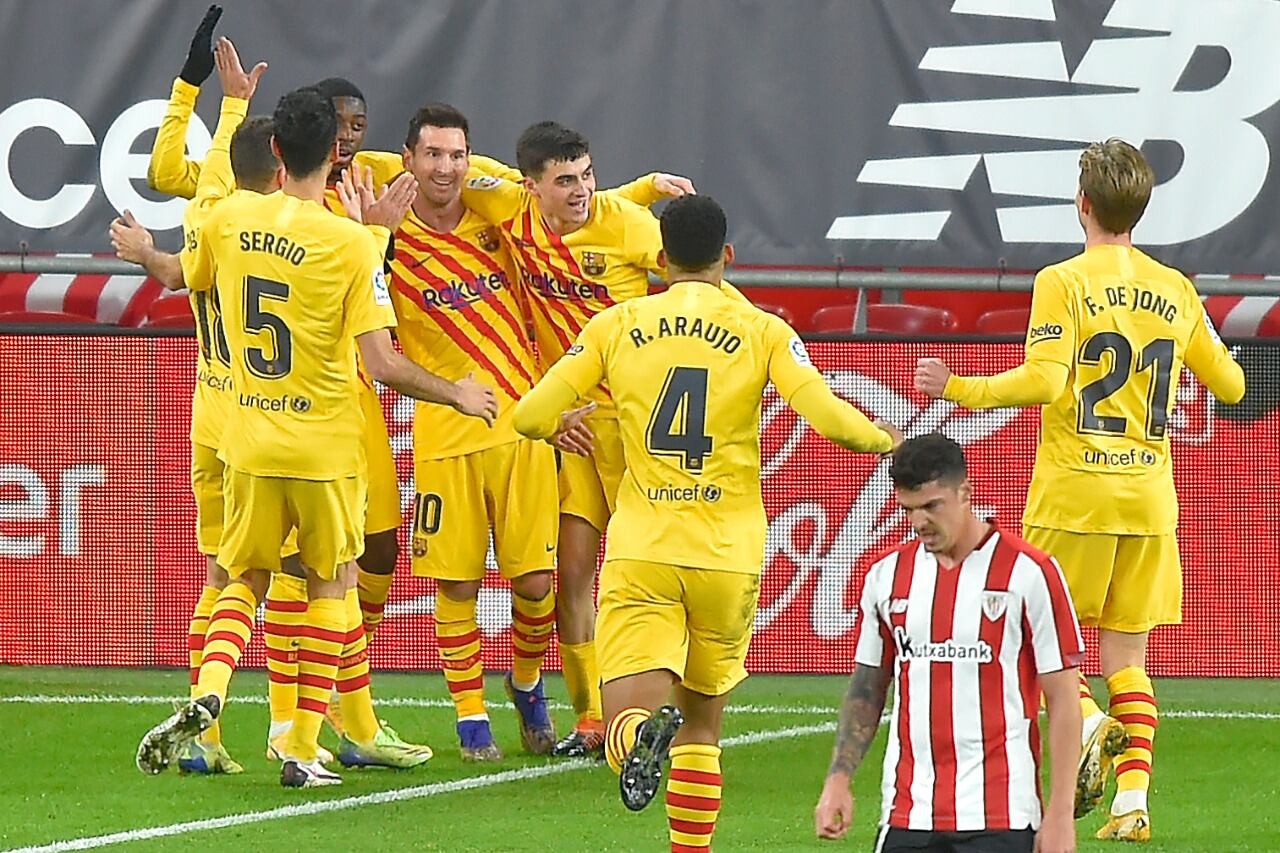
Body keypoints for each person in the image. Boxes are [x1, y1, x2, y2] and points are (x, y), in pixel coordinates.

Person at [134, 86, 497, 789]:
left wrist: (222, 105)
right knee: (332, 585)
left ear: (275, 152)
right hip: (325, 448)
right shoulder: (350, 242)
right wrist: (456, 390)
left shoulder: (231, 218)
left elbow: (186, 268)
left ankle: (209, 694)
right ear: (334, 152)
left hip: (247, 438)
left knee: (240, 577)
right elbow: (382, 363)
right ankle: (301, 746)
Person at [514, 195, 900, 851]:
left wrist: (562, 421)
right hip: (729, 554)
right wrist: (885, 440)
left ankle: (638, 738)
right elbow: (829, 415)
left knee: (627, 718)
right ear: (727, 256)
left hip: (644, 547)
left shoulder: (616, 323)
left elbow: (527, 415)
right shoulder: (763, 329)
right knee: (701, 730)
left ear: (659, 258)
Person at [914, 139, 1246, 841]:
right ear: (1141, 208)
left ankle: (1091, 722)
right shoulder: (1176, 288)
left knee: (1039, 648)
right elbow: (1234, 385)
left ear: (1083, 203)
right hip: (1150, 500)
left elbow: (1043, 379)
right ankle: (1132, 802)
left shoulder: (1062, 280)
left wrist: (959, 387)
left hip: (1076, 493)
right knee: (1127, 657)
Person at [463, 121, 712, 758]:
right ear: (532, 186)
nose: (582, 191)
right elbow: (437, 168)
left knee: (645, 577)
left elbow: (698, 276)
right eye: (566, 180)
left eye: (589, 176)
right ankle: (591, 720)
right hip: (570, 431)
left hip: (634, 432)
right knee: (572, 575)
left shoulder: (628, 225)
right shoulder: (503, 203)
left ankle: (677, 706)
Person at [111, 33, 267, 777]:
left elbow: (164, 170)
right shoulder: (275, 223)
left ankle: (205, 732)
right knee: (294, 578)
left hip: (207, 400)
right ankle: (301, 740)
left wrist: (198, 91)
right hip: (268, 414)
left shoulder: (211, 202)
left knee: (218, 570)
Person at [814, 433, 1082, 853]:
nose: (919, 521)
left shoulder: (1030, 573)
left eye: (931, 506)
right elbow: (868, 686)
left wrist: (1061, 814)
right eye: (908, 510)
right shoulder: (886, 577)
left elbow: (1064, 699)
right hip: (908, 813)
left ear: (965, 493)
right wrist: (838, 778)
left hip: (1002, 815)